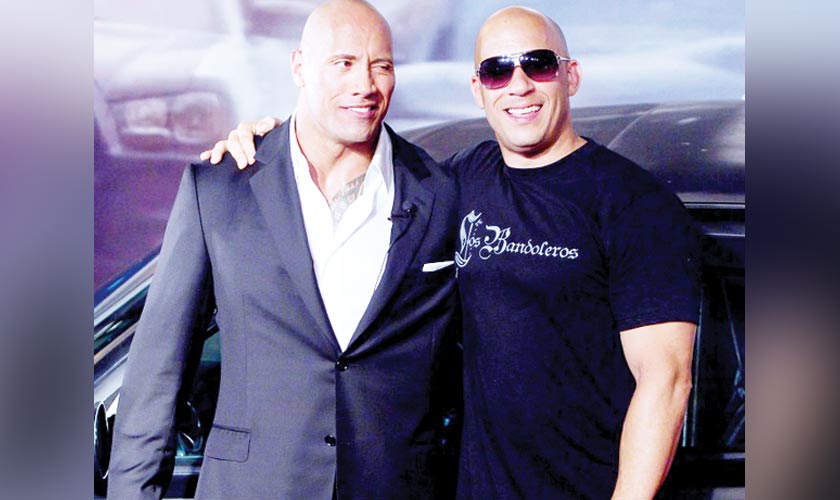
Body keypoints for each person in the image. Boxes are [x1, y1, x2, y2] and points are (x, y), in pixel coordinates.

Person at [203, 6, 700, 500]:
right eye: (498, 71)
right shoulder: (458, 181)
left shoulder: (635, 204)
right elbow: (352, 166)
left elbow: (666, 379)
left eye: (539, 64)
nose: (519, 85)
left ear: (570, 76)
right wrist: (270, 142)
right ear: (478, 89)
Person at [108, 1, 461, 499]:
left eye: (380, 65)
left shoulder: (441, 191)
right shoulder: (221, 187)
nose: (364, 84)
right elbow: (156, 376)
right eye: (343, 63)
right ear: (299, 67)